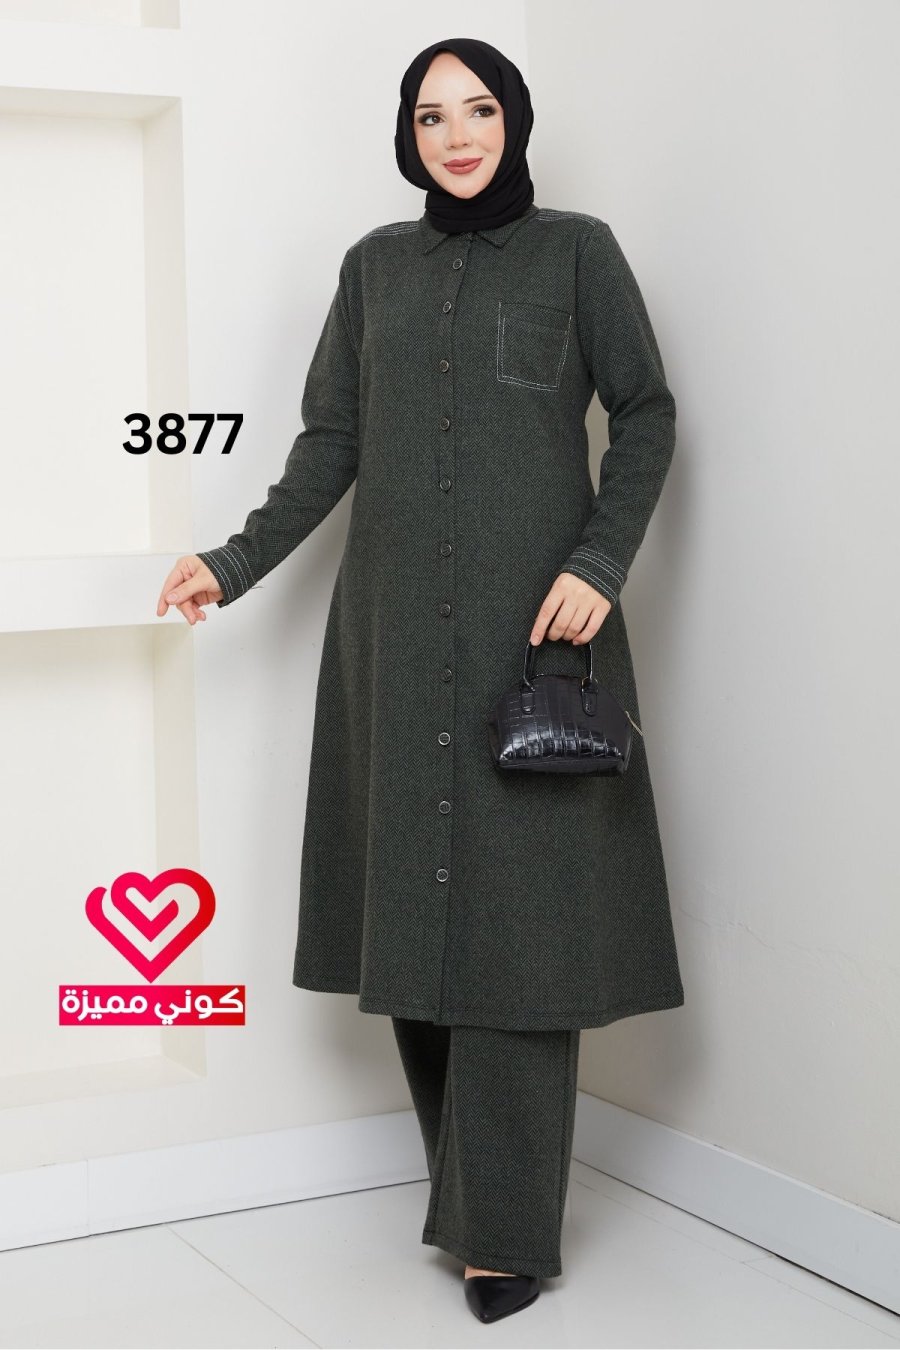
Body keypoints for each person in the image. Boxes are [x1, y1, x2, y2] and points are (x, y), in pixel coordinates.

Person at [157, 36, 685, 1325]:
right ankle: (475, 1200)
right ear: (408, 137)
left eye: (480, 109)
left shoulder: (580, 254)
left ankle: (503, 1232)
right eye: (433, 116)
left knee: (521, 938)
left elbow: (648, 413)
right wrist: (231, 562)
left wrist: (602, 561)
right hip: (393, 643)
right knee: (413, 921)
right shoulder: (373, 269)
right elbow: (329, 444)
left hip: (536, 640)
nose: (459, 135)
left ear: (515, 121)